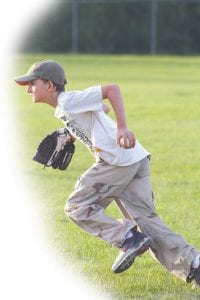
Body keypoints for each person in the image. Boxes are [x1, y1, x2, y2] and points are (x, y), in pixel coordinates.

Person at [14, 60, 200, 286]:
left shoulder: (68, 100)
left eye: (32, 83)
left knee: (76, 206)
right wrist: (71, 133)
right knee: (146, 222)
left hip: (116, 162)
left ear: (50, 86)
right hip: (135, 159)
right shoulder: (66, 107)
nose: (28, 88)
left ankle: (128, 238)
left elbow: (111, 90)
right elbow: (103, 108)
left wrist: (122, 127)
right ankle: (194, 263)